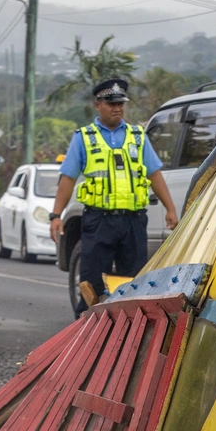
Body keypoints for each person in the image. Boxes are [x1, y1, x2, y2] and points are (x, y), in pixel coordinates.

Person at [49, 77, 179, 307]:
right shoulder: (84, 138)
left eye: (121, 103)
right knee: (92, 283)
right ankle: (88, 335)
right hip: (99, 221)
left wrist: (170, 209)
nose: (117, 108)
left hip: (133, 222)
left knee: (134, 284)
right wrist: (56, 215)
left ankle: (129, 337)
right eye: (111, 104)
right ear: (97, 104)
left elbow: (154, 175)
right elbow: (67, 178)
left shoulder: (137, 137)